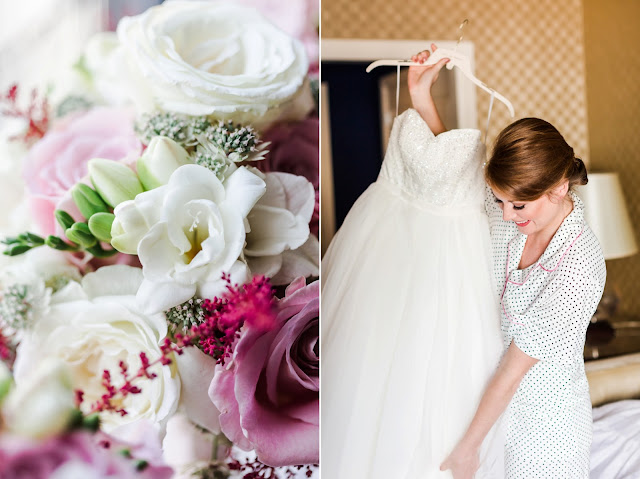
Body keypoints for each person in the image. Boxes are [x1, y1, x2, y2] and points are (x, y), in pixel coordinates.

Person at [406, 48, 605, 478]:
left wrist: (467, 448)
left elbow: (515, 371)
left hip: (546, 429)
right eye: (498, 200)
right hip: (488, 402)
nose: (505, 216)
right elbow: (456, 178)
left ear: (557, 186)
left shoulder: (581, 268)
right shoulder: (513, 214)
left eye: (518, 205)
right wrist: (421, 95)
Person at [321, 46, 505, 478]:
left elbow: (453, 174)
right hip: (384, 254)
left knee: (430, 392)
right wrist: (420, 95)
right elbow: (445, 168)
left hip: (446, 274)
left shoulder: (503, 200)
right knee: (373, 382)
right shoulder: (456, 164)